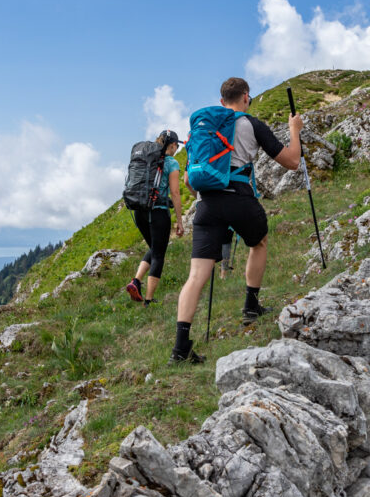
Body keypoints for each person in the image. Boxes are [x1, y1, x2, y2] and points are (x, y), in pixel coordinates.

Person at [170, 78, 303, 364]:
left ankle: (180, 349)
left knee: (195, 277)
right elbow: (292, 162)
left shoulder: (205, 128)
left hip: (205, 204)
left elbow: (188, 181)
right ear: (246, 97)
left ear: (221, 102)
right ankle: (251, 307)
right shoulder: (250, 124)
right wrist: (295, 130)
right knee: (259, 242)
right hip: (239, 198)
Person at [125, 130, 184, 305]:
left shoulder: (147, 159)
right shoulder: (171, 163)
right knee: (159, 253)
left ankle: (136, 281)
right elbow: (174, 192)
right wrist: (179, 220)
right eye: (176, 146)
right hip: (158, 211)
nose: (176, 149)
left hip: (139, 210)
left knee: (154, 246)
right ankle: (149, 301)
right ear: (172, 145)